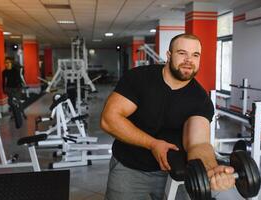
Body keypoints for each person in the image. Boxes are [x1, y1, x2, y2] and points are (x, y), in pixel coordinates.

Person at [100, 33, 235, 200]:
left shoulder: (200, 99)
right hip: (129, 168)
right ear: (169, 55)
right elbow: (109, 119)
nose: (188, 60)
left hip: (175, 173)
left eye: (195, 55)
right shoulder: (139, 78)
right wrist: (152, 144)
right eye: (182, 53)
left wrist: (210, 168)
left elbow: (198, 143)